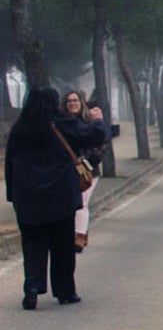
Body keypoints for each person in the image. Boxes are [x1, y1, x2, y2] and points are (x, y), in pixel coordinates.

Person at [5, 87, 108, 309]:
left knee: (33, 246)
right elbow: (94, 135)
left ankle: (32, 289)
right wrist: (98, 120)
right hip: (60, 196)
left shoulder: (19, 129)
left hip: (28, 197)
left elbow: (9, 165)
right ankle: (65, 291)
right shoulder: (61, 123)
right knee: (62, 246)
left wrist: (12, 196)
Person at [61, 90, 107, 254]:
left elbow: (102, 143)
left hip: (88, 170)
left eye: (75, 100)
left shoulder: (90, 122)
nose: (72, 103)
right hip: (66, 171)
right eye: (69, 101)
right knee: (70, 204)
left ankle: (79, 237)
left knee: (82, 202)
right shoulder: (61, 124)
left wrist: (90, 161)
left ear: (81, 103)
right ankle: (76, 232)